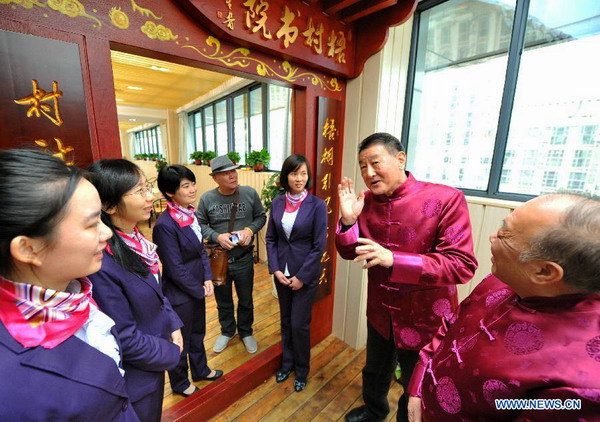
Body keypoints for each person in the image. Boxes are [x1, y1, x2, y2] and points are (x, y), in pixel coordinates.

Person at [407, 194, 600, 421]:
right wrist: (416, 387)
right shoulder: (503, 278)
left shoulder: (581, 388)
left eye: (505, 234)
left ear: (545, 272)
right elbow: (452, 323)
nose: (492, 237)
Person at [335, 133, 478, 422]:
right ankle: (374, 411)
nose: (369, 173)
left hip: (426, 318)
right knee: (375, 369)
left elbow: (461, 265)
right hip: (379, 311)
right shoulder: (365, 201)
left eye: (375, 162)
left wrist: (394, 259)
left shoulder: (445, 198)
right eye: (362, 166)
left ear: (401, 158)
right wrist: (349, 221)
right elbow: (349, 253)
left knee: (416, 382)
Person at [0, 149, 139, 421]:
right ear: (29, 249)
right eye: (91, 224)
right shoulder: (11, 389)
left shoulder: (72, 291)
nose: (107, 232)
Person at [87, 159, 183, 422]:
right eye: (139, 191)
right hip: (135, 376)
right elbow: (124, 338)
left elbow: (157, 293)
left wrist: (173, 324)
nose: (150, 196)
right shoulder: (102, 264)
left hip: (153, 358)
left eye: (147, 187)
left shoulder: (137, 241)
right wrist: (171, 353)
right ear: (108, 205)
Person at [153, 165, 224, 398]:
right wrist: (197, 289)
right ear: (170, 192)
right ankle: (180, 382)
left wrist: (207, 277)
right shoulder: (165, 225)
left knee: (198, 333)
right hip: (179, 293)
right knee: (180, 340)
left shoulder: (189, 214)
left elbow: (201, 251)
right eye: (186, 186)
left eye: (192, 183)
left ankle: (201, 369)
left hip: (196, 287)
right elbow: (174, 269)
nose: (193, 189)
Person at [266, 154, 327, 392]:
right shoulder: (278, 202)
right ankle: (287, 364)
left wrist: (301, 277)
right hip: (282, 272)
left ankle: (302, 370)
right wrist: (276, 269)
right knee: (285, 322)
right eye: (294, 173)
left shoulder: (317, 205)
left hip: (305, 275)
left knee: (299, 325)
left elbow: (318, 246)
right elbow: (271, 239)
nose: (299, 178)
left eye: (303, 173)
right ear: (286, 177)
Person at [197, 155, 266, 354]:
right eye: (225, 173)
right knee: (223, 300)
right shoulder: (207, 199)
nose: (231, 176)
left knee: (246, 300)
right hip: (220, 261)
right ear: (215, 178)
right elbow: (200, 224)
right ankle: (227, 331)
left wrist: (249, 231)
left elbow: (261, 217)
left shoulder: (249, 194)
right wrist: (217, 236)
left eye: (233, 171)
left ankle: (246, 331)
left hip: (244, 258)